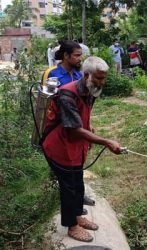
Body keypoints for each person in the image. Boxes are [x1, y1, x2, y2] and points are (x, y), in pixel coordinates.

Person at [42, 56, 122, 242]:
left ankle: (78, 215)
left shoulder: (90, 90)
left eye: (104, 78)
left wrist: (90, 126)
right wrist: (106, 141)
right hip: (59, 146)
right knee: (68, 187)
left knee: (78, 182)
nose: (102, 82)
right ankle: (71, 225)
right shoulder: (67, 94)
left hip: (75, 146)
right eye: (99, 78)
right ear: (86, 75)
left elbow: (84, 116)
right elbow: (74, 129)